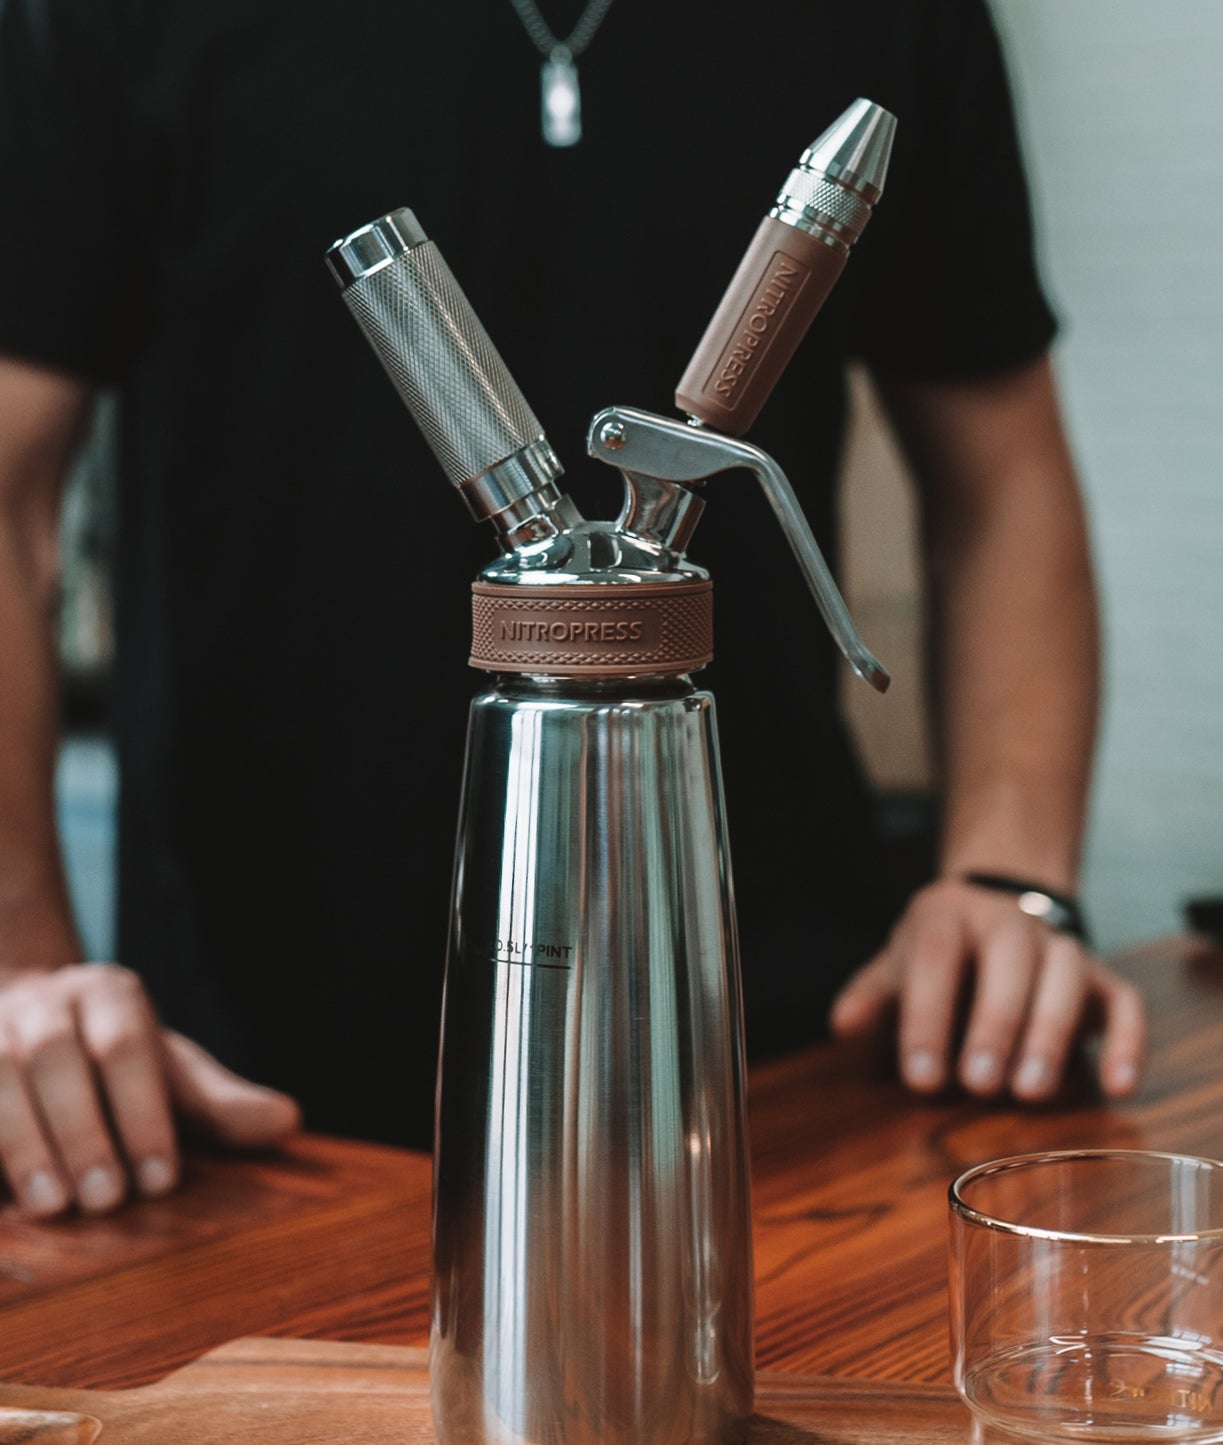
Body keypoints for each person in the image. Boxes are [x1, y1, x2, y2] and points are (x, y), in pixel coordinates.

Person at [0, 0, 1145, 1219]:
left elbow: (1002, 484)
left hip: (786, 1060)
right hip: (246, 1090)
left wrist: (1011, 882)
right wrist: (23, 971)